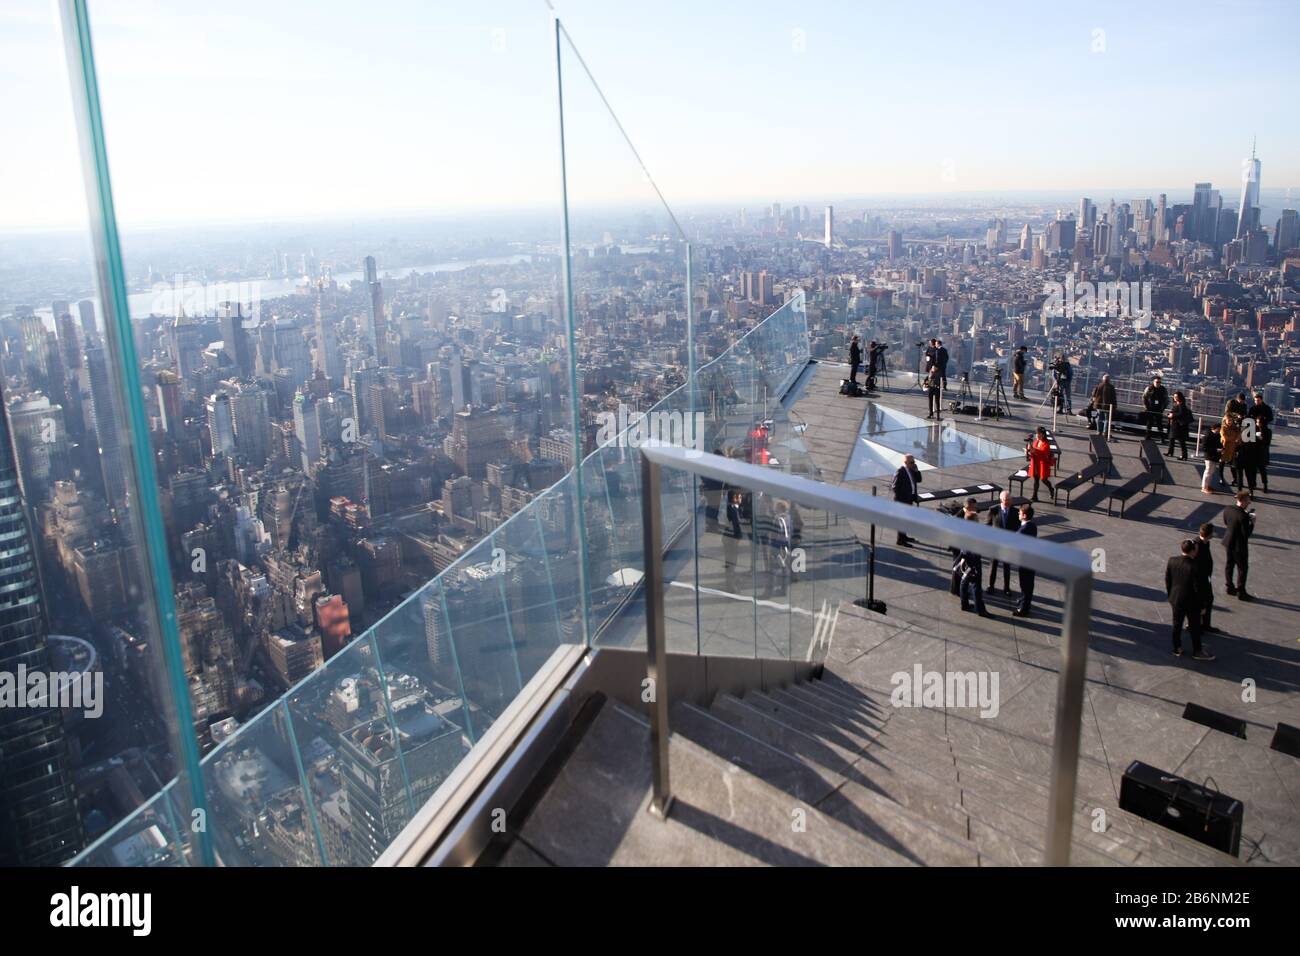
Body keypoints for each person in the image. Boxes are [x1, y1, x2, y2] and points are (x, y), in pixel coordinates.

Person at [1166, 539, 1214, 661]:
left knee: (1177, 625)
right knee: (1195, 627)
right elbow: (1198, 588)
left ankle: (1177, 648)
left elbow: (1168, 580)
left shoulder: (1172, 561)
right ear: (1193, 551)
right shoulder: (1196, 567)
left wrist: (1171, 595)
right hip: (1191, 602)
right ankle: (1197, 651)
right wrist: (1203, 606)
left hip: (1176, 599)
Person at [1222, 490, 1254, 601]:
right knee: (1242, 568)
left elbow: (1226, 522)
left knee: (1229, 565)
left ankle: (1229, 586)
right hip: (1239, 546)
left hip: (1228, 542)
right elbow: (1246, 534)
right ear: (1243, 501)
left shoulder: (1228, 509)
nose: (1249, 503)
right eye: (1248, 501)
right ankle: (1241, 591)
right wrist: (1252, 523)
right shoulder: (1243, 516)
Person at [986, 490, 1020, 594]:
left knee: (1007, 567)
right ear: (1001, 499)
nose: (1009, 502)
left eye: (1010, 499)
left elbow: (1017, 527)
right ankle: (991, 586)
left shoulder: (1015, 511)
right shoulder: (994, 510)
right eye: (1006, 500)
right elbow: (987, 525)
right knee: (993, 565)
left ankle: (1006, 588)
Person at [957, 512, 990, 617]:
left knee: (964, 582)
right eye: (977, 518)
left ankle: (964, 604)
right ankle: (981, 610)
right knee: (976, 587)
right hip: (973, 561)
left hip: (965, 559)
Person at [891, 453, 921, 547]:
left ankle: (904, 536)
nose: (913, 464)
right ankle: (900, 540)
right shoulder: (900, 472)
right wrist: (902, 498)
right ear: (906, 462)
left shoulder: (912, 470)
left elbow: (919, 480)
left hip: (909, 499)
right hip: (902, 501)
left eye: (914, 462)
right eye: (911, 462)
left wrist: (916, 470)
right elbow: (894, 487)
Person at [1013, 503, 1037, 616]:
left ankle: (1023, 608)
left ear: (1024, 515)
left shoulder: (1023, 530)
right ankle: (1024, 601)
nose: (1018, 513)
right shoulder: (1032, 526)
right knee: (1029, 584)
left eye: (1020, 512)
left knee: (1025, 584)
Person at [1248, 390, 1274, 493]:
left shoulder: (1266, 409)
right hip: (1255, 444)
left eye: (1258, 400)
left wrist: (1263, 420)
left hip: (1262, 450)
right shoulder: (1253, 408)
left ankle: (1265, 485)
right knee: (1254, 469)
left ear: (1261, 400)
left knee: (1262, 469)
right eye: (1255, 400)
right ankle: (1254, 483)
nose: (1256, 402)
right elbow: (1249, 417)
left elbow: (1270, 418)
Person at [1193, 522, 1217, 634]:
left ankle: (1205, 624)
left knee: (1208, 600)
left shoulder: (1205, 543)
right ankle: (1196, 625)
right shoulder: (1197, 546)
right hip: (1199, 580)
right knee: (1199, 603)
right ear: (1209, 534)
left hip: (1206, 578)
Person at [722, 490, 744, 592]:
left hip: (727, 538)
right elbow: (737, 525)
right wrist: (738, 537)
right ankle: (730, 585)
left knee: (729, 561)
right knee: (732, 561)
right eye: (739, 496)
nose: (741, 498)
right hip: (731, 539)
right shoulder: (733, 510)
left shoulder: (731, 508)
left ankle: (730, 582)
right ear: (735, 498)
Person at [1026, 426, 1055, 502]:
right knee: (1036, 480)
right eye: (1036, 434)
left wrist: (1033, 450)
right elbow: (1034, 452)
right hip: (1036, 463)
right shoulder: (1036, 441)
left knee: (1044, 480)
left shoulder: (1046, 444)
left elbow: (1042, 453)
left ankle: (1051, 489)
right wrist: (1028, 451)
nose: (1037, 435)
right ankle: (1034, 496)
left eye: (1038, 434)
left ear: (1043, 434)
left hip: (1043, 464)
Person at [1166, 390, 1192, 460]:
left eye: (1176, 397)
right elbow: (1176, 412)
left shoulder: (1181, 405)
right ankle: (1170, 452)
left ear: (1180, 397)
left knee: (1181, 441)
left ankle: (1184, 455)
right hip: (1175, 425)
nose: (1175, 398)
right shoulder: (1177, 404)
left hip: (1178, 426)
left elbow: (1180, 414)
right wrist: (1170, 414)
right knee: (1172, 439)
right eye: (1174, 396)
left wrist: (1172, 415)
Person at [1220, 411, 1243, 489]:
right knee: (1222, 463)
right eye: (1228, 420)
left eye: (1231, 420)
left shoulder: (1235, 428)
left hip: (1233, 449)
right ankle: (1221, 478)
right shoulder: (1223, 428)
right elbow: (1225, 438)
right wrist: (1235, 439)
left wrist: (1236, 439)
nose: (1230, 422)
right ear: (1225, 421)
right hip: (1225, 448)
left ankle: (1235, 479)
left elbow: (1239, 436)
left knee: (1233, 465)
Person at [1142, 376, 1169, 440]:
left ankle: (1162, 438)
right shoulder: (1149, 388)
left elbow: (1166, 400)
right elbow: (1144, 397)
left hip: (1159, 408)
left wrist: (1163, 408)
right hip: (1150, 408)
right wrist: (1146, 407)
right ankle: (1147, 436)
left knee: (1159, 423)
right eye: (1157, 382)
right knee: (1149, 423)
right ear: (1153, 382)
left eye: (1159, 382)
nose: (1158, 383)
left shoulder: (1163, 389)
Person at [1200, 421, 1223, 494]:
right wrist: (1216, 449)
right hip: (1209, 456)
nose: (1219, 431)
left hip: (1213, 456)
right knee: (1208, 471)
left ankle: (1207, 486)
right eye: (1218, 429)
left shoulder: (1216, 435)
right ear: (1214, 428)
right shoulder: (1207, 436)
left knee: (1211, 472)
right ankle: (1204, 487)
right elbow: (1204, 448)